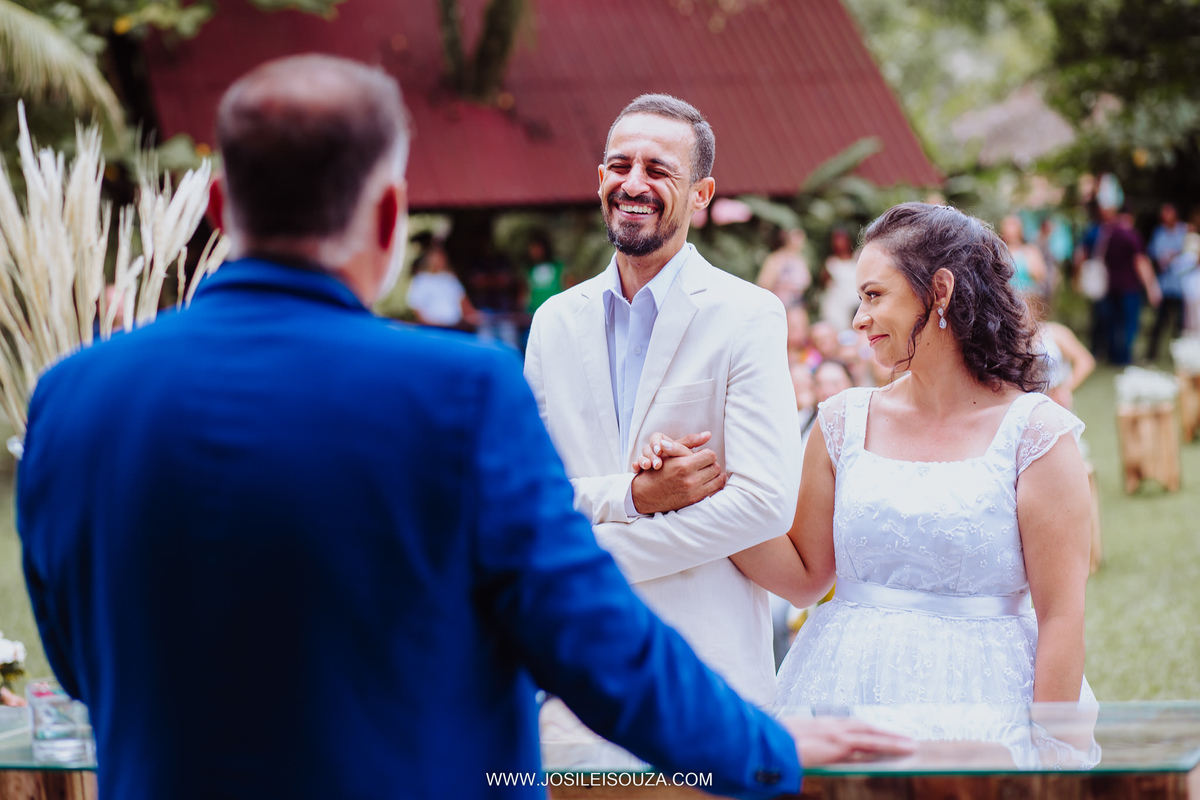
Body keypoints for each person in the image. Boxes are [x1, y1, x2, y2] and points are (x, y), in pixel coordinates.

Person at [16, 57, 910, 800]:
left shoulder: (71, 399)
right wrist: (766, 749)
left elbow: (83, 662)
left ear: (216, 209)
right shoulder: (453, 393)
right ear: (389, 216)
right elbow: (587, 634)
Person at [716, 203, 1097, 713]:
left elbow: (1062, 618)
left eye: (875, 295)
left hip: (984, 705)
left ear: (939, 291)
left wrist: (1053, 759)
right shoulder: (841, 422)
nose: (858, 318)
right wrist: (712, 494)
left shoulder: (1035, 434)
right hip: (842, 695)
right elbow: (804, 578)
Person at [524, 94, 802, 710]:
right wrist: (634, 496)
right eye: (620, 166)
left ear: (701, 194)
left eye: (658, 170)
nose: (633, 183)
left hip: (705, 673)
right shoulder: (552, 323)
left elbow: (764, 504)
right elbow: (535, 495)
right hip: (572, 680)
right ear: (601, 179)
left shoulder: (749, 315)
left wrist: (585, 560)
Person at [1146, 203, 1189, 361]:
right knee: (1159, 322)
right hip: (1164, 286)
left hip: (1181, 286)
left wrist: (1176, 255)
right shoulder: (1159, 233)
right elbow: (1154, 256)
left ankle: (1180, 356)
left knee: (1180, 324)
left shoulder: (1185, 231)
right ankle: (1151, 354)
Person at [406, 242, 479, 328]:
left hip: (454, 328)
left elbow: (465, 305)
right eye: (435, 257)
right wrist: (431, 324)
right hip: (430, 329)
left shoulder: (450, 280)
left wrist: (476, 318)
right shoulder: (421, 280)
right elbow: (416, 308)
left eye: (441, 257)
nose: (439, 261)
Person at [757, 227, 811, 308]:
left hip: (796, 304)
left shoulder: (800, 261)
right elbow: (764, 283)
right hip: (777, 302)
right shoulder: (776, 259)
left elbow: (806, 282)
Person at [819, 228, 859, 332]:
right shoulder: (831, 263)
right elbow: (824, 286)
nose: (839, 243)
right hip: (837, 309)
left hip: (856, 305)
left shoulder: (858, 258)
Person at [1000, 214, 1048, 296]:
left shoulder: (1030, 251)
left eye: (1013, 225)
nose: (1011, 229)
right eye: (1009, 225)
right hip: (1007, 300)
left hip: (1028, 299)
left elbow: (1041, 276)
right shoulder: (1001, 253)